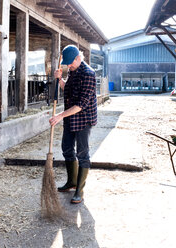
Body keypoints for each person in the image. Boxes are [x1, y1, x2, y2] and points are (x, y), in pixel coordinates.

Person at [49, 45, 97, 204]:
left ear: (78, 58)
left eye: (70, 63)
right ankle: (72, 182)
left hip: (83, 118)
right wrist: (60, 80)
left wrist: (60, 116)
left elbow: (82, 104)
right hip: (70, 116)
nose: (68, 66)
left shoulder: (89, 74)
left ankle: (80, 190)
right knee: (67, 149)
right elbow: (68, 90)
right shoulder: (72, 71)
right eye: (67, 63)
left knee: (82, 153)